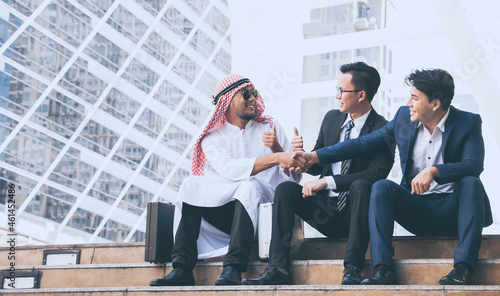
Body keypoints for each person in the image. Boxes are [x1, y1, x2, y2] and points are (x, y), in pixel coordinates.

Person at [292, 68, 492, 285]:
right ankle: (383, 270)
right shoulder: (403, 119)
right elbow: (361, 144)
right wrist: (315, 156)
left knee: (471, 183)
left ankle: (462, 269)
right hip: (417, 210)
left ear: (435, 104)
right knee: (381, 186)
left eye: (415, 98)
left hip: (453, 212)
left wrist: (435, 171)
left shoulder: (468, 123)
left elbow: (473, 165)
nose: (408, 103)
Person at [242, 62, 395, 286]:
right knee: (285, 189)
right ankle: (277, 268)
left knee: (363, 184)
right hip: (324, 210)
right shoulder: (332, 119)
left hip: (356, 214)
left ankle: (353, 268)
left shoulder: (383, 130)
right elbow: (316, 165)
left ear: (361, 95)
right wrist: (297, 155)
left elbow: (376, 174)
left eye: (342, 91)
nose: (337, 96)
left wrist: (326, 182)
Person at [149, 74, 303, 287]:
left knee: (249, 186)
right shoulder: (213, 137)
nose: (253, 99)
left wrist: (279, 150)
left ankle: (232, 267)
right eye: (246, 94)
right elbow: (229, 170)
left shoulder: (270, 127)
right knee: (190, 185)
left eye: (255, 94)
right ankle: (182, 268)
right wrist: (275, 157)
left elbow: (294, 179)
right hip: (230, 219)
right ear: (226, 101)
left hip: (268, 216)